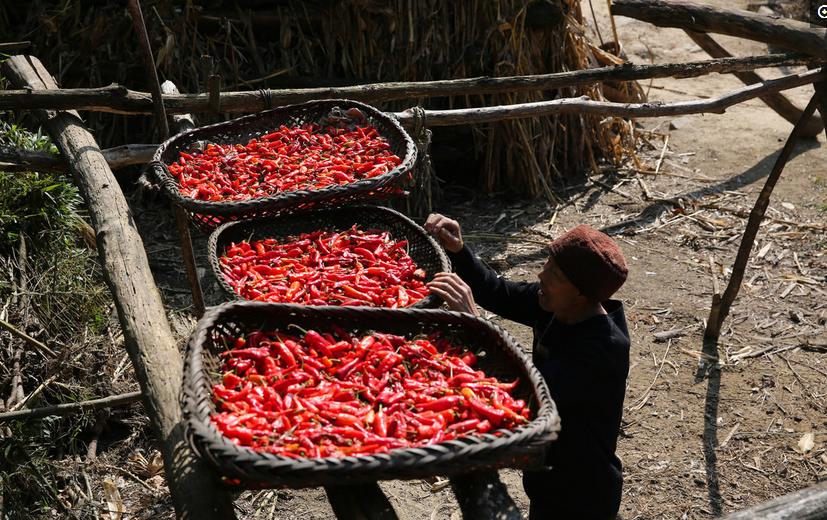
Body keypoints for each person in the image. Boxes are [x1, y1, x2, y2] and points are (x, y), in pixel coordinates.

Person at [424, 213, 630, 520]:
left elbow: (524, 392)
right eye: (547, 263)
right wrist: (459, 251)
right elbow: (497, 291)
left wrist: (478, 326)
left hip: (582, 493)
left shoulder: (603, 349)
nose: (541, 275)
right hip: (549, 477)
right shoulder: (557, 304)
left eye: (555, 274)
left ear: (580, 294)